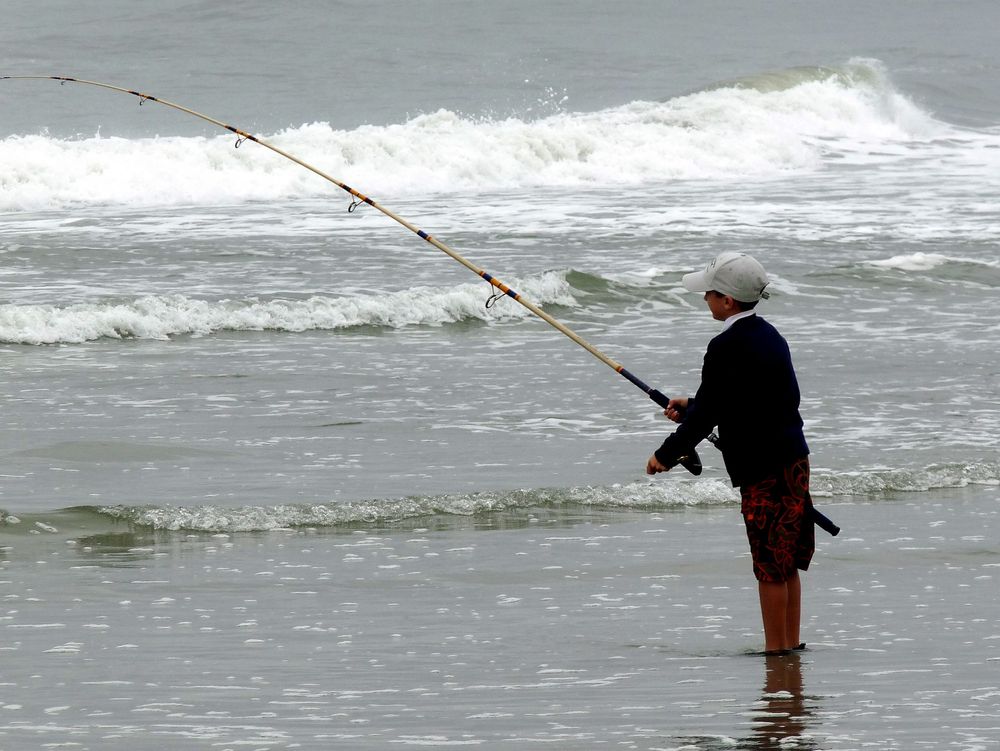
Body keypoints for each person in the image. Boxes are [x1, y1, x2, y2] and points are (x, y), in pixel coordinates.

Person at [646, 251, 814, 656]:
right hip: (793, 459)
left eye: (709, 293)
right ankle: (788, 645)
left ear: (727, 301)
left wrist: (666, 455)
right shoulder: (770, 336)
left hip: (763, 469)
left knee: (769, 566)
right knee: (786, 560)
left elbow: (708, 416)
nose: (705, 299)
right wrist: (694, 403)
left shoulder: (724, 346)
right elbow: (749, 397)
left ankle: (777, 653)